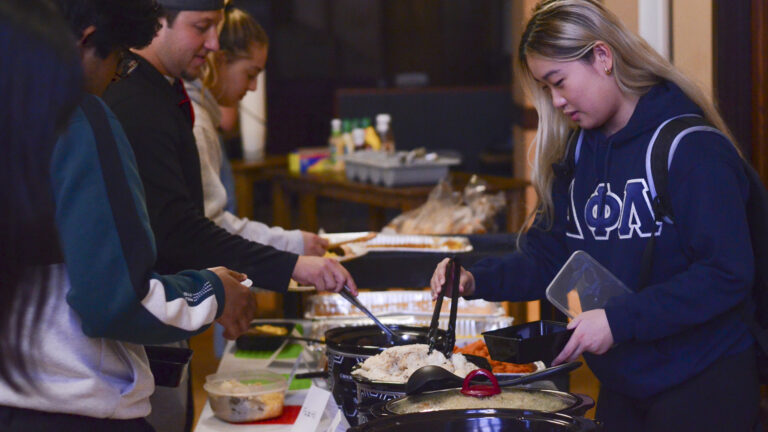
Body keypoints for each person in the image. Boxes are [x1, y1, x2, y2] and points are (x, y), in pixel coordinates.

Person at [431, 1, 759, 430]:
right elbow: (549, 259)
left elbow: (727, 272)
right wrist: (475, 279)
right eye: (546, 88)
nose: (557, 100)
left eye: (559, 81)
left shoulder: (692, 148)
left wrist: (618, 321)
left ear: (602, 58)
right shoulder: (579, 151)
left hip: (704, 381)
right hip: (625, 383)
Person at [0, 0, 256, 430]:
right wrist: (213, 290)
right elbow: (116, 301)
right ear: (86, 39)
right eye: (118, 62)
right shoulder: (78, 117)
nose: (112, 82)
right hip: (73, 405)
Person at [103, 0, 355, 296]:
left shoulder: (161, 90)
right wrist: (291, 264)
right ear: (158, 21)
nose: (212, 44)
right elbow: (179, 231)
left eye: (216, 28)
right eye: (201, 27)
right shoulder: (138, 102)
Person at [185, 6, 327, 257]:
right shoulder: (196, 122)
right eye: (250, 75)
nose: (252, 87)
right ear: (219, 60)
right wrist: (290, 244)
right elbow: (212, 227)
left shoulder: (201, 115)